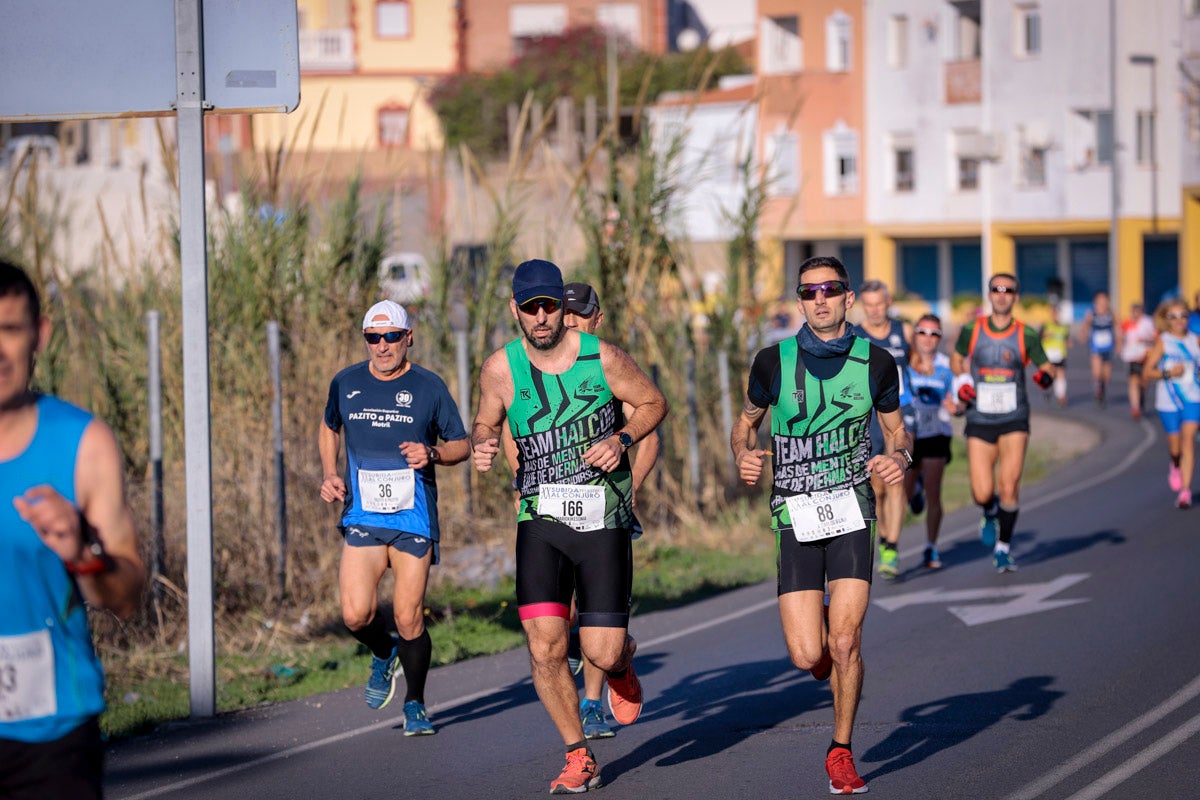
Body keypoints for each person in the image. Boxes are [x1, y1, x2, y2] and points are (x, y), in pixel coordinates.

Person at [472, 259, 668, 794]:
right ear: (515, 309)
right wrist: (483, 440)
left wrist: (621, 439)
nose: (540, 316)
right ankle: (578, 753)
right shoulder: (499, 368)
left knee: (600, 652)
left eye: (549, 306)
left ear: (562, 307)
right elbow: (486, 419)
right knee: (545, 646)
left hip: (601, 518)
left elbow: (654, 402)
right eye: (530, 307)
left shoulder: (601, 357)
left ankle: (622, 662)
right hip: (540, 519)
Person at [731, 256, 910, 796]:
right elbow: (744, 426)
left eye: (831, 289)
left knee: (847, 641)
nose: (821, 299)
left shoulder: (877, 363)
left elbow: (897, 432)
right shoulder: (771, 361)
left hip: (853, 510)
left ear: (848, 298)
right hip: (796, 516)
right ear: (800, 302)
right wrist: (744, 455)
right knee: (810, 654)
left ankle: (840, 750)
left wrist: (897, 459)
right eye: (809, 292)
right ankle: (826, 632)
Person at [0, 259, 146, 799]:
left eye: (9, 330)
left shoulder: (83, 443)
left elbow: (128, 596)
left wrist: (81, 554)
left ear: (39, 336)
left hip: (52, 736)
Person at [319, 299, 469, 734]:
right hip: (364, 513)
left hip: (413, 516)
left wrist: (433, 453)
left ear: (408, 338)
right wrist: (330, 473)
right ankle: (384, 655)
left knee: (408, 616)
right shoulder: (346, 382)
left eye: (391, 337)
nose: (382, 347)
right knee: (355, 615)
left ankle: (415, 704)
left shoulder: (429, 386)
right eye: (372, 338)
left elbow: (461, 444)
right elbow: (329, 426)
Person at [951, 274, 1056, 572]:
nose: (1001, 294)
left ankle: (1003, 548)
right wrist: (961, 381)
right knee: (982, 491)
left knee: (1009, 485)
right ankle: (989, 510)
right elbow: (957, 359)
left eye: (1008, 290)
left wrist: (1045, 377)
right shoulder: (972, 330)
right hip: (980, 416)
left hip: (1014, 418)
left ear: (1015, 297)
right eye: (996, 289)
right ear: (989, 295)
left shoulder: (1027, 335)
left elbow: (1046, 367)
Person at [851, 279, 914, 578]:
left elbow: (914, 367)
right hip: (870, 418)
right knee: (877, 485)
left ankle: (891, 546)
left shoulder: (904, 331)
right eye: (869, 305)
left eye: (880, 304)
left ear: (888, 303)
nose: (875, 310)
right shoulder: (855, 336)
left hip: (901, 414)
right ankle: (886, 534)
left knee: (896, 479)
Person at [904, 313, 961, 569]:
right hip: (908, 436)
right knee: (904, 491)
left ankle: (931, 546)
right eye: (923, 332)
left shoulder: (947, 366)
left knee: (934, 491)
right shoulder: (904, 363)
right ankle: (914, 491)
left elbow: (960, 402)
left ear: (940, 337)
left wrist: (956, 408)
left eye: (934, 333)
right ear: (915, 335)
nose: (928, 338)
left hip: (937, 433)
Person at [1142, 298, 1200, 509]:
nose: (1179, 321)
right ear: (1166, 319)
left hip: (1193, 398)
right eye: (1173, 317)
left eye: (1183, 316)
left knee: (1188, 440)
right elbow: (1148, 371)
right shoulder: (1164, 341)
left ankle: (1185, 491)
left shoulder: (1196, 340)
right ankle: (1175, 464)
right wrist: (1168, 372)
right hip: (1168, 400)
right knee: (1175, 448)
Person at [1119, 301, 1158, 419]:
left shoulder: (1148, 322)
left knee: (1144, 382)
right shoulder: (1127, 323)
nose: (1135, 314)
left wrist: (1145, 340)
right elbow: (1121, 336)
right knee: (1133, 380)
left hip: (1146, 355)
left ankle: (1141, 398)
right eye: (1133, 312)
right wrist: (1120, 346)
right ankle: (1135, 407)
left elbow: (1155, 338)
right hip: (1132, 356)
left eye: (1137, 311)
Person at [1079, 291, 1118, 407]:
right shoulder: (1091, 314)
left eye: (1104, 300)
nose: (1102, 303)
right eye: (1099, 300)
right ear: (1095, 302)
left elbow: (1117, 328)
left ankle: (1103, 388)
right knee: (1097, 373)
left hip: (1108, 347)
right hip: (1095, 347)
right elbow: (1085, 326)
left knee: (1106, 375)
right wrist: (1083, 335)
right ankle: (1098, 391)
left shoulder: (1111, 314)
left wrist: (1120, 342)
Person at [1039, 303, 1071, 409]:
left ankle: (1061, 396)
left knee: (1060, 375)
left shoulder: (1063, 326)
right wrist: (1044, 336)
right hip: (1048, 355)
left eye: (1057, 313)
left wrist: (1068, 342)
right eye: (1053, 312)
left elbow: (1066, 338)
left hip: (1060, 355)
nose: (1055, 315)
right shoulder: (1046, 325)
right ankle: (1048, 390)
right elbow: (1038, 338)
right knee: (1050, 375)